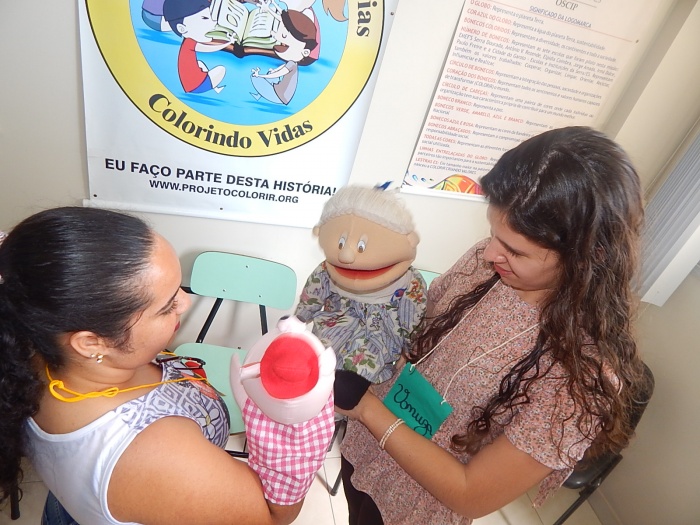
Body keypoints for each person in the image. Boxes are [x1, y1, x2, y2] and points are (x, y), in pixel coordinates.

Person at [335, 126, 649, 524]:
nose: (489, 254)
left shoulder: (580, 379)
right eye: (492, 234)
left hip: (417, 503)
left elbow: (470, 494)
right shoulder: (486, 265)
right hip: (367, 452)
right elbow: (422, 336)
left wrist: (365, 408)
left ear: (588, 257)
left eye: (515, 251)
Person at [0, 207, 310, 525]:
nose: (186, 302)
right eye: (166, 306)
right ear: (92, 343)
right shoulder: (155, 453)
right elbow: (270, 517)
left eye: (179, 288)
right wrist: (295, 424)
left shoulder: (33, 346)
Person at [294, 185, 427, 384]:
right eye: (341, 244)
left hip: (378, 339)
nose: (346, 255)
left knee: (357, 377)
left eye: (361, 246)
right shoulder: (327, 269)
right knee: (315, 366)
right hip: (331, 330)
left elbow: (413, 317)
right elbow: (313, 294)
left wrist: (409, 350)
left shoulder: (409, 281)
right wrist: (299, 319)